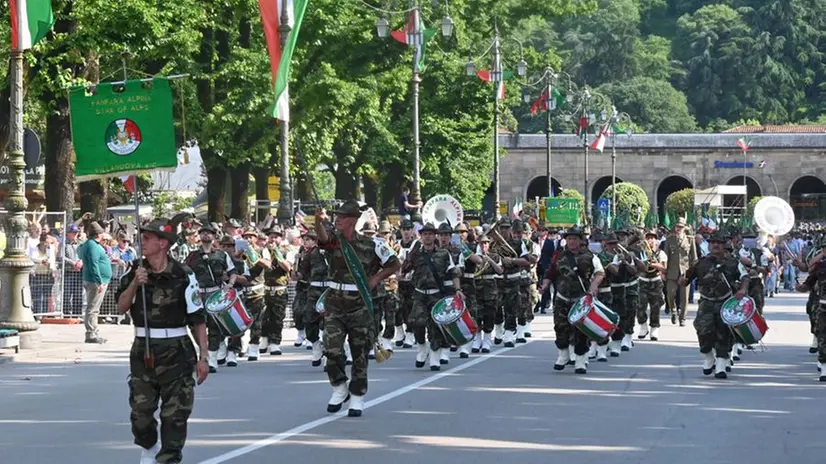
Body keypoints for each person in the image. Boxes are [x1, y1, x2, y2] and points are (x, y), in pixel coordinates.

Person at [116, 218, 209, 464]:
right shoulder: (135, 271)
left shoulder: (183, 275)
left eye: (147, 238)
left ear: (163, 243)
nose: (142, 242)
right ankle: (148, 446)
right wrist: (136, 283)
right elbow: (121, 307)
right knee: (140, 413)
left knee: (175, 414)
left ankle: (168, 458)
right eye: (142, 238)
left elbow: (198, 319)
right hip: (143, 351)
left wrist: (204, 357)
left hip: (177, 351)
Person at [315, 200, 401, 417]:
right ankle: (339, 387)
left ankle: (357, 396)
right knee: (332, 349)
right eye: (336, 216)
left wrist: (377, 278)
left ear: (352, 220)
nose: (337, 219)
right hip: (335, 303)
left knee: (359, 353)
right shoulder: (335, 240)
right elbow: (323, 238)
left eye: (341, 217)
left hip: (360, 305)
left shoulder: (372, 244)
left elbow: (394, 263)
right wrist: (318, 220)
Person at [680, 231, 748, 379]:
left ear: (724, 245)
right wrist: (682, 279)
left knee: (723, 333)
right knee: (703, 332)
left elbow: (745, 277)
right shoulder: (701, 262)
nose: (716, 245)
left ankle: (721, 367)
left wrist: (742, 289)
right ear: (709, 245)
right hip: (706, 303)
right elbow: (686, 280)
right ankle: (708, 356)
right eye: (713, 242)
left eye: (719, 243)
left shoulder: (733, 262)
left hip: (726, 303)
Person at [539, 227, 605, 374]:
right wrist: (544, 285)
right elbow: (550, 273)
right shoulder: (559, 256)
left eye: (575, 239)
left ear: (580, 240)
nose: (572, 242)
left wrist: (594, 285)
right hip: (562, 297)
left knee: (580, 331)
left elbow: (600, 272)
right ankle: (563, 355)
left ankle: (580, 360)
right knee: (560, 327)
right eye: (569, 239)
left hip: (581, 300)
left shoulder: (590, 256)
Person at [402, 222, 462, 370]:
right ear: (421, 236)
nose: (427, 236)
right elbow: (404, 270)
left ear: (434, 236)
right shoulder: (415, 253)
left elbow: (453, 273)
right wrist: (404, 267)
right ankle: (422, 348)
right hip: (420, 294)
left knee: (436, 327)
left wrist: (458, 290)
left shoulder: (443, 254)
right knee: (416, 322)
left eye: (430, 234)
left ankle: (435, 356)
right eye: (425, 234)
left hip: (437, 295)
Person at [185, 224, 237, 372]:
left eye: (209, 233)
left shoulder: (222, 255)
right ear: (199, 237)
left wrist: (230, 284)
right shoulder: (193, 256)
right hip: (198, 294)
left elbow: (232, 271)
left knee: (215, 327)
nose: (206, 235)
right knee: (196, 325)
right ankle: (203, 351)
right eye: (203, 233)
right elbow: (185, 273)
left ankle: (212, 358)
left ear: (214, 236)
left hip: (216, 294)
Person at [79, 222, 113, 344]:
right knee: (93, 308)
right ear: (98, 234)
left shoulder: (89, 244)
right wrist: (99, 281)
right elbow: (94, 264)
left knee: (93, 307)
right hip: (95, 281)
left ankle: (93, 331)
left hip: (94, 280)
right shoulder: (92, 245)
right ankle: (91, 333)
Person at [664, 218, 697, 326]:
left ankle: (682, 318)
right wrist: (663, 272)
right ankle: (673, 310)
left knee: (684, 297)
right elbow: (665, 257)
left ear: (684, 228)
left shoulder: (690, 239)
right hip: (672, 271)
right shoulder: (669, 240)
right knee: (670, 294)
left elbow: (694, 258)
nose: (679, 229)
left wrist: (692, 273)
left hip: (685, 272)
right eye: (677, 227)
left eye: (681, 227)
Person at [637, 229, 667, 341]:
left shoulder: (661, 253)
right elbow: (638, 266)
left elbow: (664, 268)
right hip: (643, 281)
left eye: (652, 238)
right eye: (648, 238)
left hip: (655, 282)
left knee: (655, 307)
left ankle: (654, 328)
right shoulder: (641, 252)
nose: (650, 240)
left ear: (656, 240)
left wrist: (653, 264)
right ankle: (643, 326)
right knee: (640, 306)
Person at [29, 233, 56, 315]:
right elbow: (31, 259)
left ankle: (45, 314)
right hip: (37, 275)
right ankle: (37, 314)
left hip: (47, 275)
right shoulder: (34, 249)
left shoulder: (50, 249)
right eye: (47, 242)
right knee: (37, 296)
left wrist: (52, 269)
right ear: (42, 242)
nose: (48, 245)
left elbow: (52, 260)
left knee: (46, 296)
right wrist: (40, 261)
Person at [63, 224, 84, 317]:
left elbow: (84, 255)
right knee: (67, 293)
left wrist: (81, 262)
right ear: (68, 233)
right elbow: (61, 257)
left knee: (78, 293)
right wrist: (73, 263)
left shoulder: (81, 244)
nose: (75, 234)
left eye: (76, 233)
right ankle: (66, 313)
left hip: (79, 272)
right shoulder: (64, 244)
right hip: (68, 272)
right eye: (73, 233)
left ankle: (77, 313)